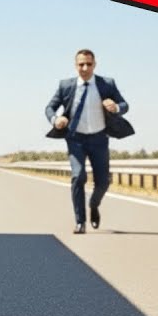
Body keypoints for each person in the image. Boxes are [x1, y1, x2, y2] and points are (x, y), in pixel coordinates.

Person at [43, 49, 133, 234]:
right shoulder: (66, 86)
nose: (85, 68)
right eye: (81, 64)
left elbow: (125, 105)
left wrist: (116, 107)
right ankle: (80, 222)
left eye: (88, 64)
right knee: (78, 176)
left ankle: (93, 205)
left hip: (99, 138)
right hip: (75, 139)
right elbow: (50, 107)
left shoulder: (106, 84)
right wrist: (55, 120)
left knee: (103, 182)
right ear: (75, 66)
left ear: (94, 65)